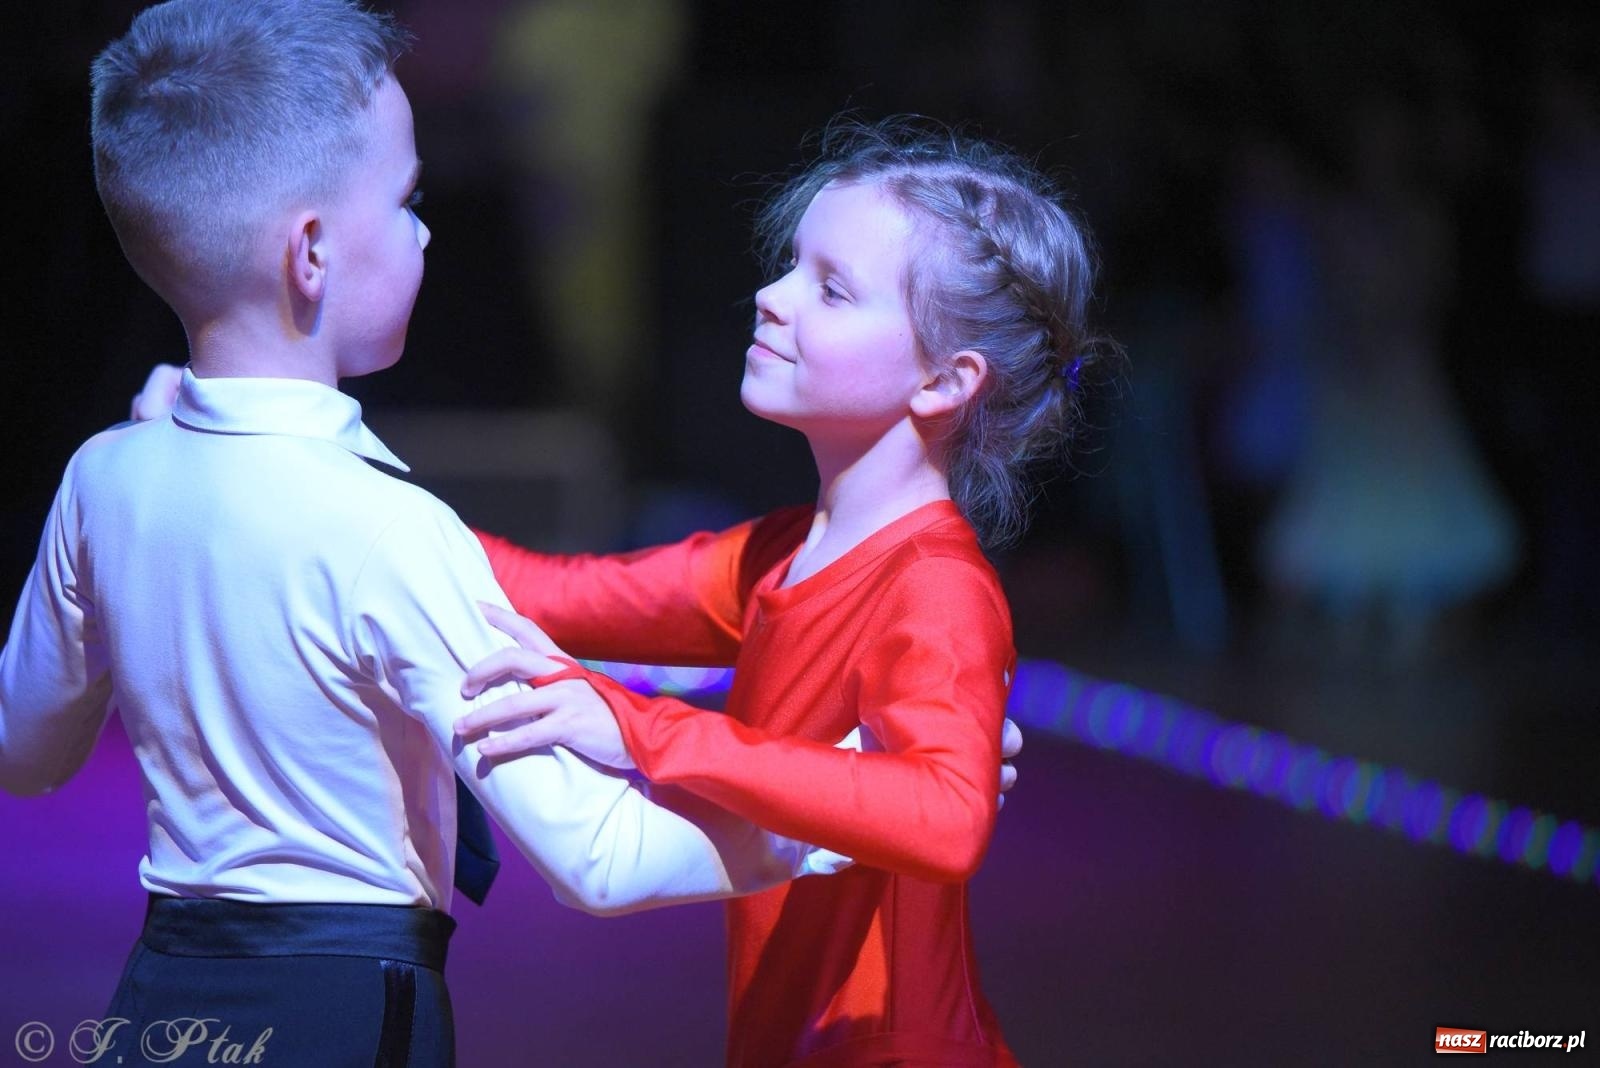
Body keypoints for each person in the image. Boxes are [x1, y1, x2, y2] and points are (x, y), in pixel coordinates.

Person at [0, 3, 846, 1063]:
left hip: (158, 1007)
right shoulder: (391, 530)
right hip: (344, 1017)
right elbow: (599, 855)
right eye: (405, 202)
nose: (426, 229)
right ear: (310, 250)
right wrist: (848, 797)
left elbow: (24, 751)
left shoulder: (103, 477)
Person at [453, 120, 1113, 1067]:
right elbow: (538, 590)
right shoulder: (774, 557)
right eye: (790, 267)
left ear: (943, 379)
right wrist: (298, 450)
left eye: (830, 289)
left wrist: (643, 728)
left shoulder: (936, 588)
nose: (769, 297)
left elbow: (948, 817)